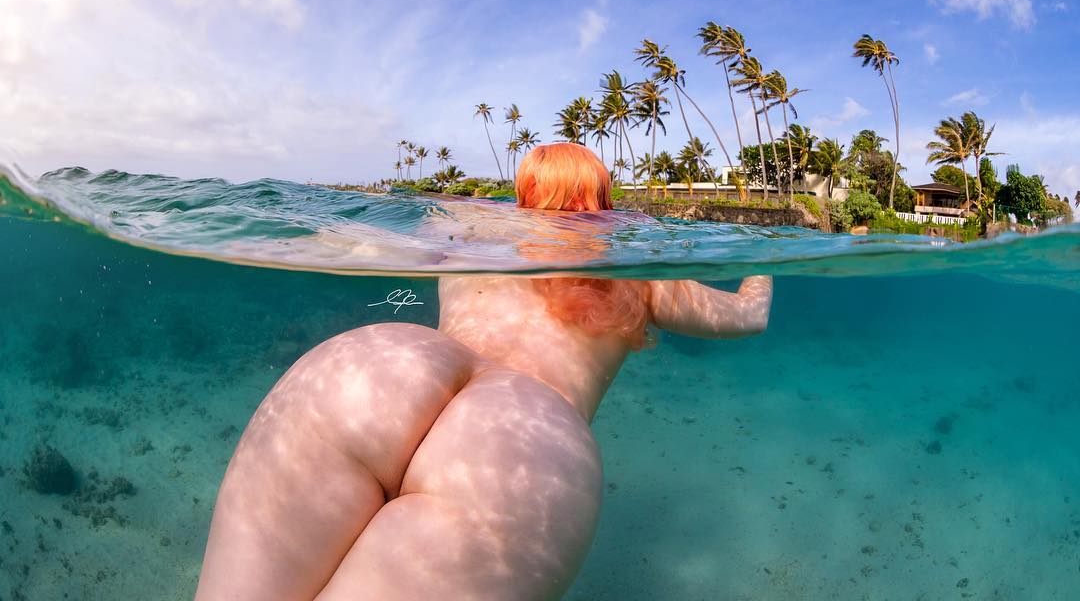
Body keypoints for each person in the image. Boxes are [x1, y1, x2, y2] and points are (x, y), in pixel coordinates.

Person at [195, 143, 773, 600]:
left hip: (382, 366)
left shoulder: (471, 229)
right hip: (523, 442)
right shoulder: (644, 272)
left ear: (523, 192)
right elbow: (750, 316)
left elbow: (348, 248)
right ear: (604, 197)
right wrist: (761, 260)